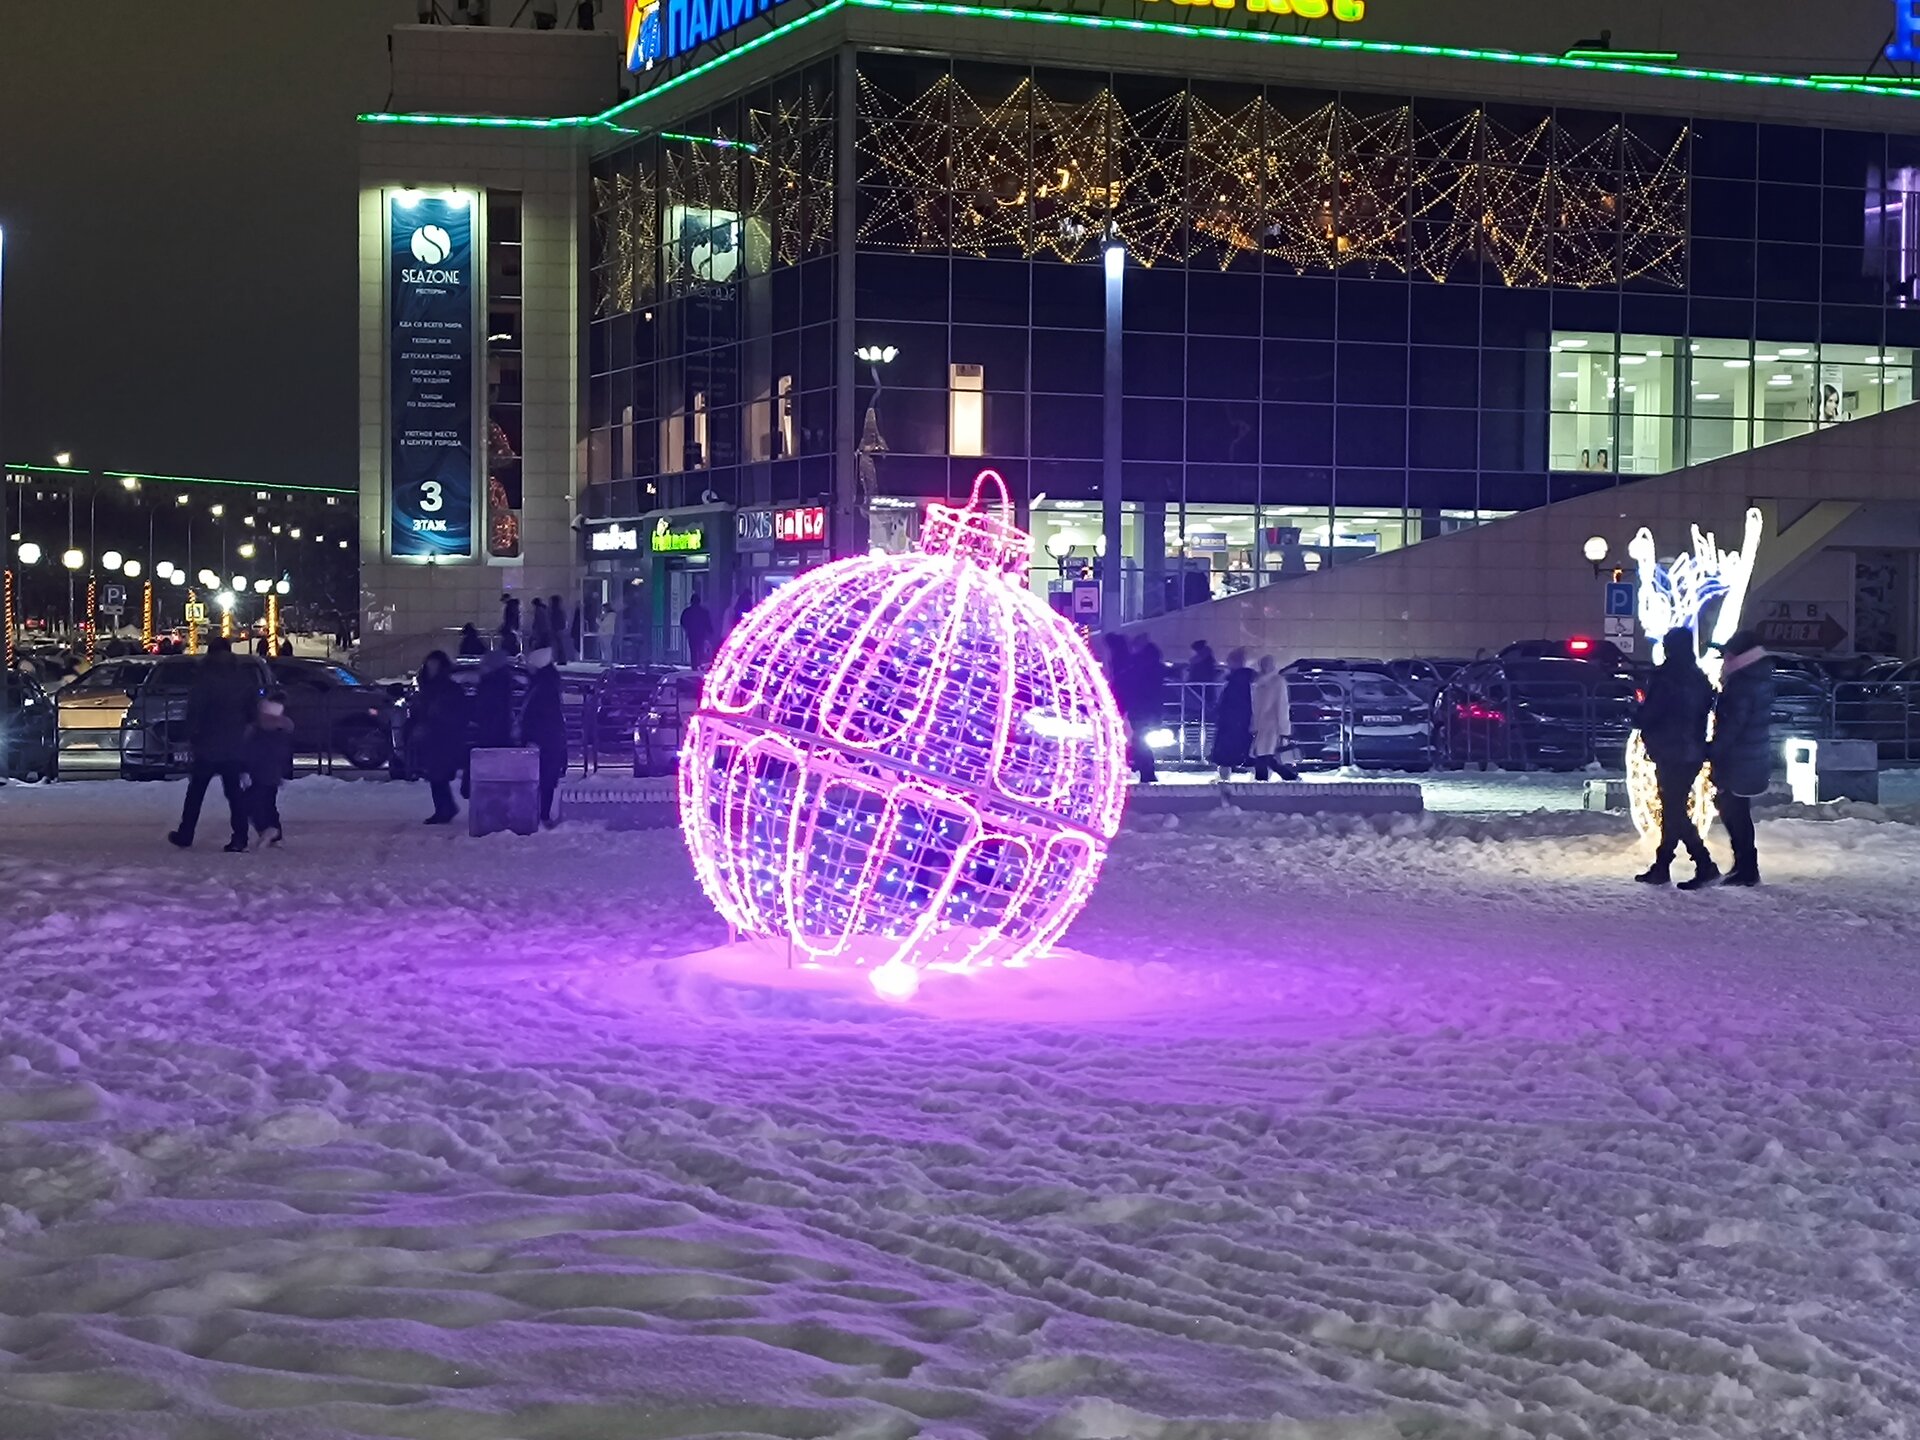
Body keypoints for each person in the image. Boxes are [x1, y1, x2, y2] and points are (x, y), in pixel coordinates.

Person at [1633, 627, 1717, 887]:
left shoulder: (1667, 678)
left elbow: (1651, 714)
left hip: (1670, 750)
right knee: (1673, 809)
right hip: (1692, 750)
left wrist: (1637, 714)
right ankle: (1663, 866)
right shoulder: (1698, 677)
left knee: (1674, 811)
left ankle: (1704, 863)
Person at [1694, 629, 1776, 889]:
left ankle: (1746, 868)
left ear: (1739, 656)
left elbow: (1732, 726)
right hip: (1749, 755)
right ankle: (1744, 865)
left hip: (1738, 758)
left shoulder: (1742, 684)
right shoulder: (1756, 677)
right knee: (1736, 810)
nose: (1724, 659)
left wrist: (1713, 750)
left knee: (1734, 812)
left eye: (1728, 654)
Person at [168, 638, 259, 852]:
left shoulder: (205, 676)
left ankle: (186, 833)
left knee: (196, 791)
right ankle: (240, 837)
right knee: (234, 792)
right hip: (233, 742)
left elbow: (196, 710)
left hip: (207, 742)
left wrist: (187, 735)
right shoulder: (241, 676)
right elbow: (252, 710)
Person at [414, 650, 467, 825]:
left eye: (435, 664)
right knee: (435, 773)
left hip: (442, 735)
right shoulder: (428, 686)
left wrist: (437, 718)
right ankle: (444, 808)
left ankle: (445, 809)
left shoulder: (447, 688)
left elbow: (456, 712)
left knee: (438, 773)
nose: (431, 668)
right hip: (432, 734)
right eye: (429, 664)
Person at [239, 689, 295, 847]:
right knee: (268, 803)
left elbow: (248, 752)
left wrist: (244, 769)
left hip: (259, 772)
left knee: (249, 803)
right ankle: (275, 834)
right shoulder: (282, 732)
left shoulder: (256, 731)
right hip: (272, 773)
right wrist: (284, 773)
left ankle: (268, 829)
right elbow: (284, 756)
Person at [521, 645, 569, 828]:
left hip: (543, 740)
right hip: (548, 739)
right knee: (545, 778)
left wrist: (532, 737)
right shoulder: (546, 684)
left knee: (542, 777)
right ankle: (542, 814)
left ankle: (542, 815)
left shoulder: (542, 687)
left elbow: (541, 716)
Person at [1208, 648, 1255, 780]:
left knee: (1227, 752)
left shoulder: (1237, 680)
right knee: (1240, 750)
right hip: (1235, 721)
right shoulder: (1241, 679)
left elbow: (1234, 701)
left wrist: (1222, 713)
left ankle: (1226, 776)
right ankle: (1252, 774)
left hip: (1232, 721)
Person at [1125, 638, 1165, 784]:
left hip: (1141, 709)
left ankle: (1145, 770)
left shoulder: (1139, 667)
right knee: (1141, 740)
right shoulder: (1154, 667)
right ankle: (1145, 769)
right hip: (1149, 709)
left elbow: (1136, 688)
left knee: (1140, 740)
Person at [1251, 655, 1297, 781]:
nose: (1265, 666)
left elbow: (1282, 705)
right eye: (1264, 664)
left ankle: (1286, 777)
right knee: (1265, 755)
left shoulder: (1277, 682)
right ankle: (1286, 777)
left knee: (1265, 755)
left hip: (1272, 724)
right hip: (1263, 725)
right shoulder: (1260, 682)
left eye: (1268, 663)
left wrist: (1283, 729)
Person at [473, 648, 517, 750]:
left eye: (484, 663)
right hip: (500, 732)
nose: (480, 667)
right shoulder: (502, 682)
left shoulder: (490, 684)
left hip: (491, 732)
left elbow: (489, 709)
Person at [681, 590, 715, 668]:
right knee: (700, 648)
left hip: (691, 633)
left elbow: (683, 621)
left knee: (693, 649)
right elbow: (707, 622)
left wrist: (687, 628)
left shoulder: (687, 611)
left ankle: (694, 665)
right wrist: (710, 631)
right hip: (701, 634)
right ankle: (699, 663)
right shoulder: (704, 612)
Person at [548, 595, 572, 663]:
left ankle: (560, 659)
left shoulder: (554, 611)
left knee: (558, 645)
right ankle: (561, 659)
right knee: (559, 645)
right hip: (559, 629)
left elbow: (553, 620)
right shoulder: (560, 610)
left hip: (556, 629)